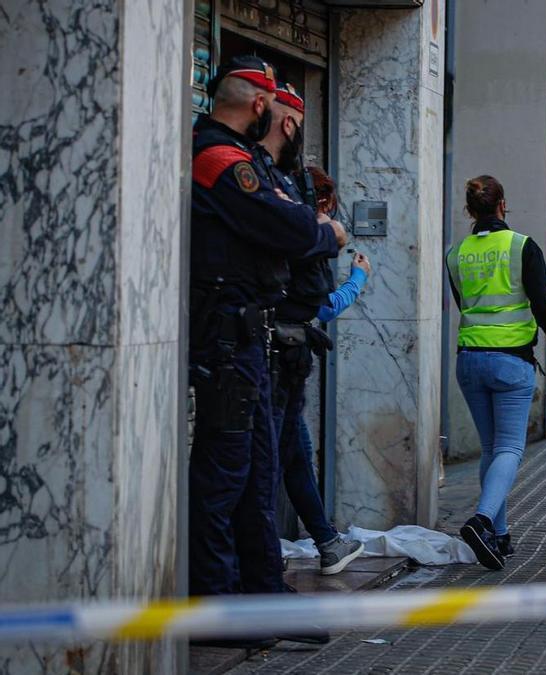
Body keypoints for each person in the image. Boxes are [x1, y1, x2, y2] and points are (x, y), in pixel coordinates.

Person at [188, 55, 346, 645]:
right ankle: (217, 608)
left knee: (256, 475)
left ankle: (262, 600)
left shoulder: (241, 158)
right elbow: (291, 230)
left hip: (247, 338)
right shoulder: (219, 158)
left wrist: (307, 225)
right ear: (259, 106)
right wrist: (320, 231)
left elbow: (291, 220)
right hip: (227, 340)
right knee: (225, 476)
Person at [256, 84, 366, 577]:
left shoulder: (286, 211)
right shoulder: (301, 224)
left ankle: (322, 540)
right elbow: (318, 303)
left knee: (289, 451)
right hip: (280, 346)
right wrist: (358, 279)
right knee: (274, 454)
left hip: (279, 348)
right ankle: (276, 552)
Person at [447, 175, 546, 571]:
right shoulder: (521, 246)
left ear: (471, 210)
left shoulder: (456, 253)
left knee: (492, 450)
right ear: (502, 204)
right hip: (511, 361)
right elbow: (542, 304)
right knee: (509, 449)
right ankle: (482, 520)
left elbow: (463, 302)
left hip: (469, 358)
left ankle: (499, 536)